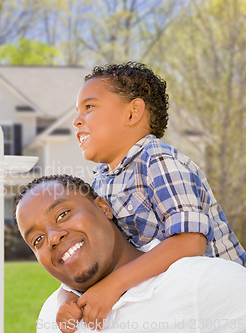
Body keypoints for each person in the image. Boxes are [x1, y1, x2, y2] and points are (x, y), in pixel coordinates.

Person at [50, 62, 246, 330]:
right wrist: (66, 296)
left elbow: (190, 242)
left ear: (133, 113)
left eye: (90, 107)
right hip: (166, 302)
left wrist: (115, 284)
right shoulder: (101, 180)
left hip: (216, 307)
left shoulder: (158, 160)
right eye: (78, 112)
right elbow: (100, 250)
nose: (77, 120)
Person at [14, 174, 246, 332]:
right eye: (38, 239)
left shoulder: (203, 283)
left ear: (103, 207)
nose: (53, 237)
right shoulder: (52, 316)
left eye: (63, 214)